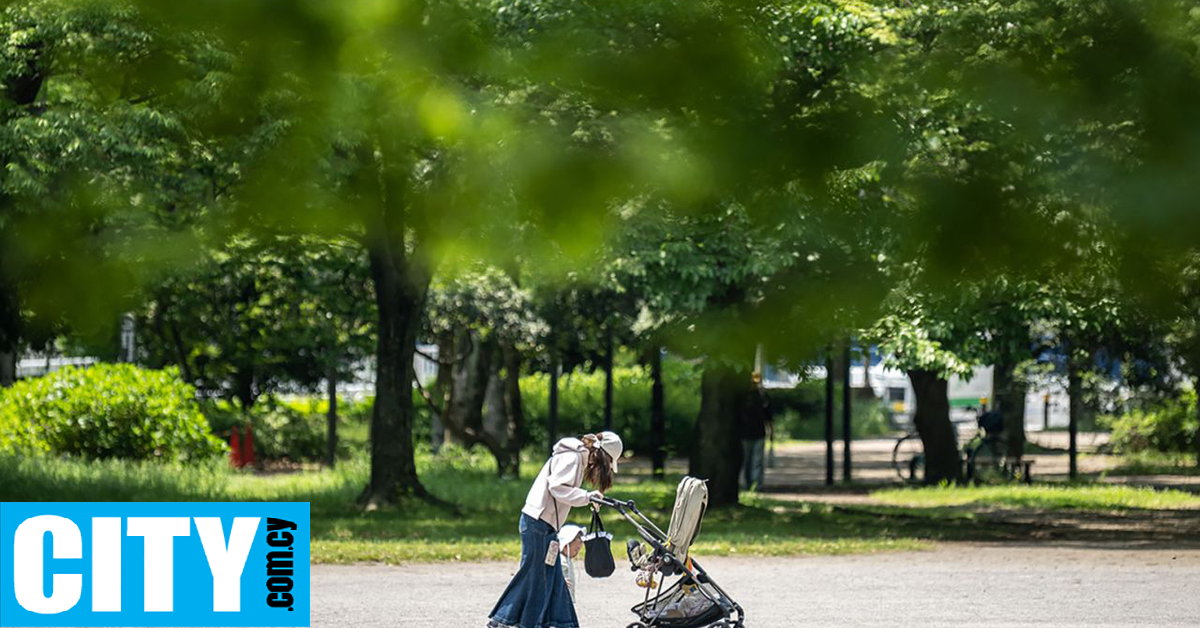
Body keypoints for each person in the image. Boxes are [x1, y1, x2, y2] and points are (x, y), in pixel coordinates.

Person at [486, 431, 623, 628]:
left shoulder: (577, 456)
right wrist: (587, 497)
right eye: (609, 463)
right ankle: (502, 620)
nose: (606, 469)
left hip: (543, 523)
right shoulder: (573, 457)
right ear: (603, 456)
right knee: (535, 576)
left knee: (551, 577)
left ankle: (564, 623)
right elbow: (557, 488)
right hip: (538, 522)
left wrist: (588, 497)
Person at [739, 373, 773, 491]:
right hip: (751, 433)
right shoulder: (761, 396)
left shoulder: (758, 396)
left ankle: (753, 485)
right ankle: (753, 485)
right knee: (751, 462)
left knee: (753, 461)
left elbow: (768, 416)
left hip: (752, 433)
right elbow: (769, 417)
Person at [557, 524, 585, 602]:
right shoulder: (561, 560)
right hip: (561, 598)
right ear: (565, 546)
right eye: (576, 549)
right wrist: (560, 580)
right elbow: (555, 574)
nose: (577, 553)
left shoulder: (567, 559)